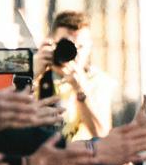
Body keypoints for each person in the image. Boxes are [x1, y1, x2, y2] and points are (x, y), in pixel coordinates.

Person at [35, 10, 113, 141]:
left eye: (80, 47)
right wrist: (31, 74)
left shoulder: (97, 81)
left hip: (80, 151)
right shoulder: (34, 75)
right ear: (51, 43)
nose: (72, 52)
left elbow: (102, 135)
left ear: (89, 48)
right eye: (66, 44)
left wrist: (81, 90)